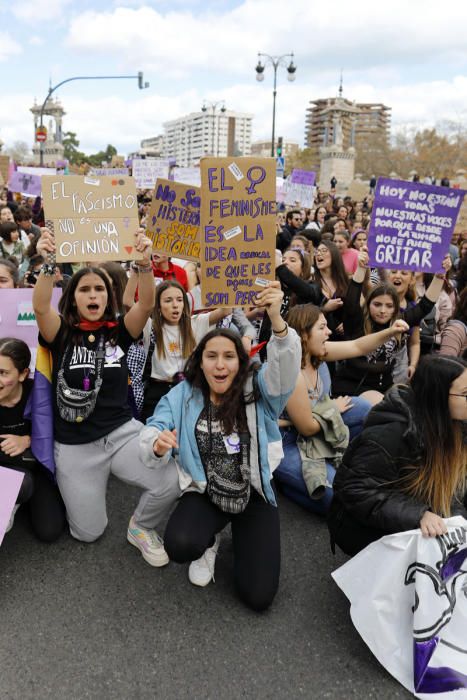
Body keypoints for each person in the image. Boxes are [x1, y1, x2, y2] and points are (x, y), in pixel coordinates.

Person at [140, 282, 301, 611]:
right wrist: (156, 443)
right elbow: (153, 427)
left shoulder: (258, 390)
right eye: (211, 356)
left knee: (258, 597)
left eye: (229, 357)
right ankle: (210, 539)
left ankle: (244, 535)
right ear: (199, 363)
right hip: (208, 491)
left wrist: (278, 322)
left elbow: (284, 373)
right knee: (180, 545)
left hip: (253, 492)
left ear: (241, 363)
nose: (220, 365)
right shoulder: (183, 396)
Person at [32, 228, 181, 565]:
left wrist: (144, 265)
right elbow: (41, 307)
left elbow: (146, 302)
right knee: (89, 532)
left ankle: (141, 527)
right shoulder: (60, 333)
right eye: (84, 289)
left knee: (170, 480)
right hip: (75, 447)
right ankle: (66, 490)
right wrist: (48, 262)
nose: (93, 294)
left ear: (108, 296)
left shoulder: (118, 332)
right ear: (73, 298)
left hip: (120, 435)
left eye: (99, 288)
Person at [275, 305, 409, 515]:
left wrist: (390, 331)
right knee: (339, 497)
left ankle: (351, 460)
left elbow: (357, 347)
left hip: (320, 427)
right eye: (322, 327)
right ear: (303, 334)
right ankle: (288, 486)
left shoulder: (317, 353)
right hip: (289, 444)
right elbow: (308, 427)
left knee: (365, 407)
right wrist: (333, 408)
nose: (329, 332)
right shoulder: (291, 370)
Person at [328, 355, 467, 556]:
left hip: (414, 503)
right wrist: (418, 515)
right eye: (465, 393)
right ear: (437, 396)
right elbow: (355, 490)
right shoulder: (390, 434)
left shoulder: (456, 423)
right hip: (359, 526)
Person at [0, 337, 66, 540]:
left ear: (23, 374)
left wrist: (27, 440)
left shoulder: (39, 393)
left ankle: (13, 499)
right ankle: (8, 501)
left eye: (3, 373)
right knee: (23, 483)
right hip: (5, 464)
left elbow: (58, 431)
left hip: (35, 464)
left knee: (50, 531)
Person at [141, 280, 232, 420]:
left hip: (189, 390)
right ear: (158, 306)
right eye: (168, 300)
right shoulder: (150, 327)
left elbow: (226, 310)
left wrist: (222, 277)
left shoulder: (195, 323)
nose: (175, 305)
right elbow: (130, 304)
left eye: (179, 300)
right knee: (156, 436)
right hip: (158, 392)